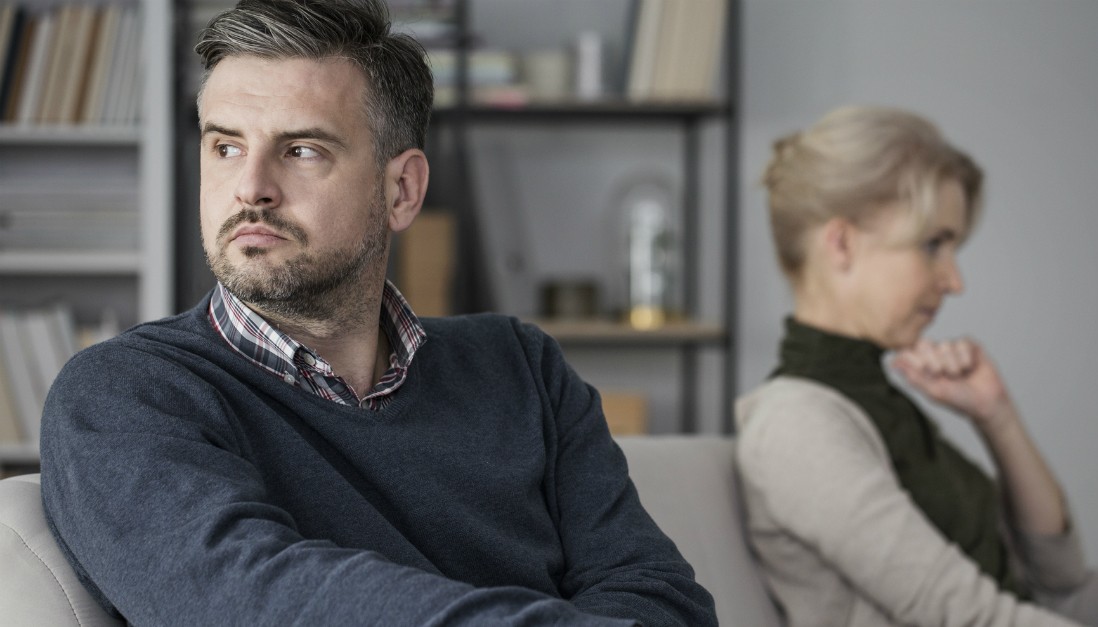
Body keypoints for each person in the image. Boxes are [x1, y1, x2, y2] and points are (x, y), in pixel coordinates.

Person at [38, 2, 717, 625]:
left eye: (302, 150)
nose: (251, 188)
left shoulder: (520, 366)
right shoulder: (125, 393)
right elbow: (246, 600)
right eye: (226, 146)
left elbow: (662, 597)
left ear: (402, 189)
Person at [737, 105, 1098, 627]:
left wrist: (996, 416)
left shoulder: (880, 405)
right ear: (841, 243)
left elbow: (1058, 576)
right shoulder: (799, 424)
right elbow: (969, 618)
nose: (955, 282)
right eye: (933, 244)